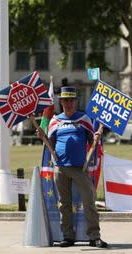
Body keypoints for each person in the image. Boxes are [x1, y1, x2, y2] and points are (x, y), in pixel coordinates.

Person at [37, 86, 107, 248]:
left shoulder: (84, 119)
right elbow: (50, 145)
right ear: (60, 102)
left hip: (80, 169)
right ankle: (68, 236)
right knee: (64, 203)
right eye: (65, 100)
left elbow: (92, 143)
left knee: (89, 202)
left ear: (76, 102)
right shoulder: (55, 121)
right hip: (60, 168)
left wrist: (97, 137)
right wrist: (43, 137)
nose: (68, 103)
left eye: (71, 100)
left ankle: (94, 237)